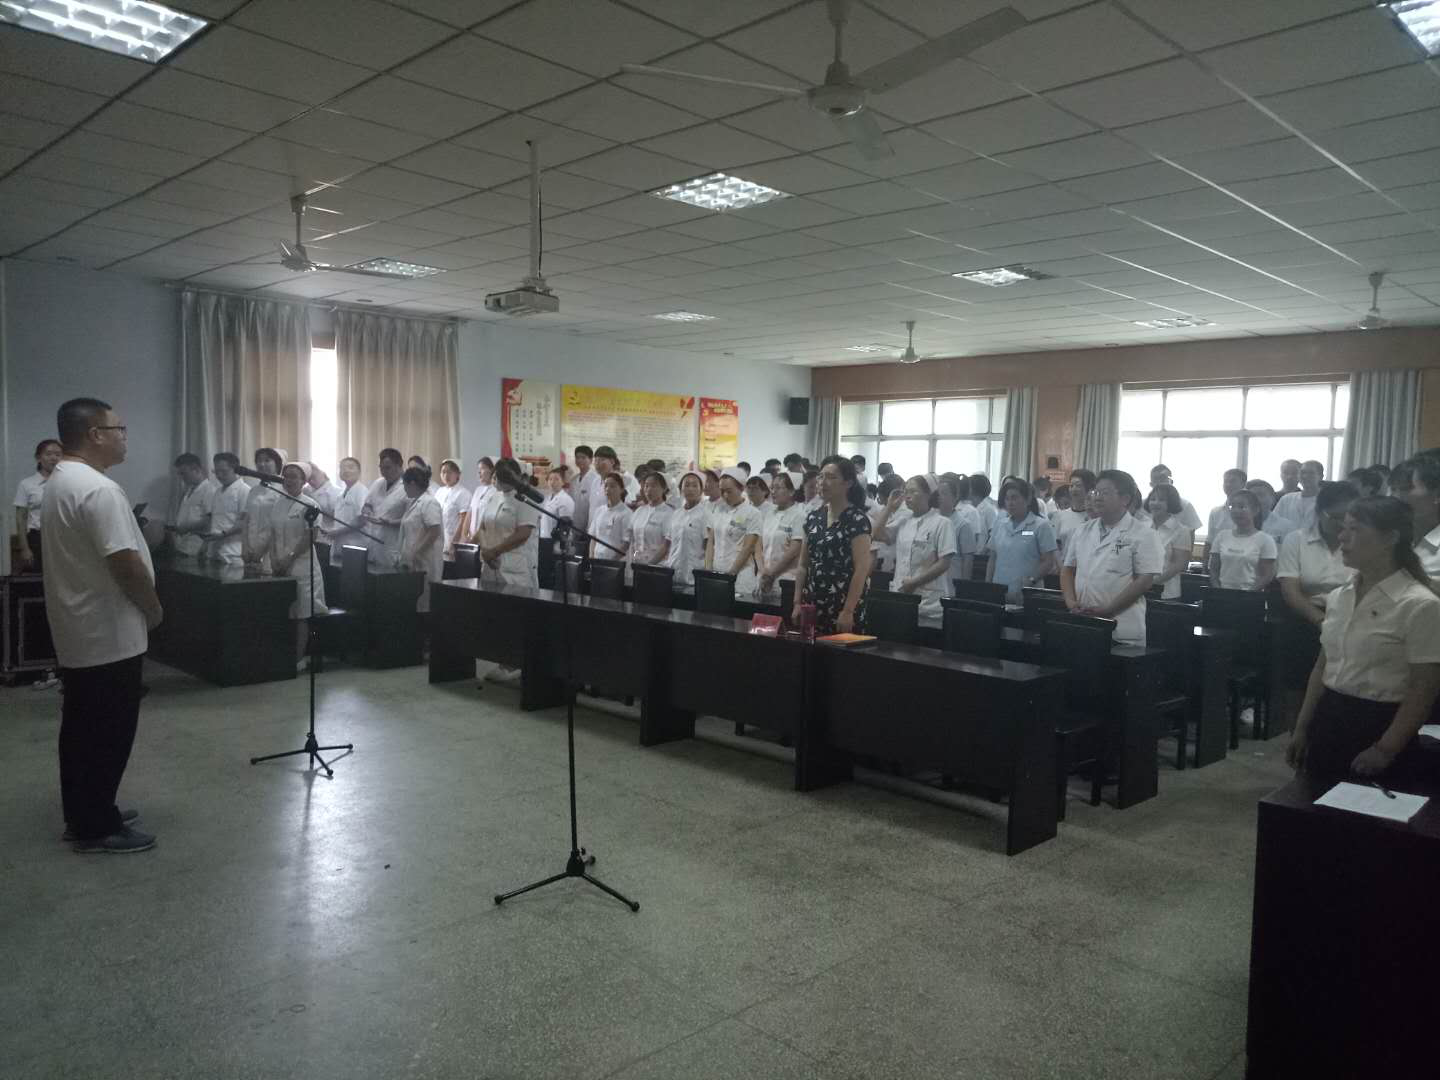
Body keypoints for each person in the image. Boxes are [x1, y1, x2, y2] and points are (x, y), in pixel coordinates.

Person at [43, 397, 161, 853]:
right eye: (119, 429)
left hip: (80, 627)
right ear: (95, 435)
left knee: (81, 728)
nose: (124, 437)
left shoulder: (61, 479)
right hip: (108, 631)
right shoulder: (99, 489)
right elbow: (125, 563)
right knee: (108, 732)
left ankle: (85, 811)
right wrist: (153, 608)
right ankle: (96, 826)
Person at [1287, 496, 1440, 785]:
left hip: (1381, 723)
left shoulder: (1419, 605)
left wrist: (1385, 749)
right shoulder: (1339, 597)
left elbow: (1423, 688)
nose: (1342, 536)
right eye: (1343, 527)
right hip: (1329, 716)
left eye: (1354, 529)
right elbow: (1322, 667)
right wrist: (1302, 728)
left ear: (1390, 538)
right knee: (1313, 801)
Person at [1061, 469, 1162, 646]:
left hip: (1121, 627)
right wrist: (1071, 602)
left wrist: (1108, 609)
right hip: (1083, 620)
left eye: (1105, 493)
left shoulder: (1144, 534)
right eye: (1096, 492)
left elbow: (1145, 581)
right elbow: (1068, 569)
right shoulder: (1083, 530)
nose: (1097, 498)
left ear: (1125, 499)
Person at [793, 455, 872, 635]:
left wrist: (848, 610)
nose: (822, 482)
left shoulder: (857, 520)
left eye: (831, 477)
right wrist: (797, 602)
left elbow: (862, 568)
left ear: (848, 483)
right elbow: (803, 565)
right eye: (821, 476)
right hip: (812, 603)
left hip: (843, 603)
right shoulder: (813, 517)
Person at [260, 463, 328, 663]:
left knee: (301, 614)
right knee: (283, 612)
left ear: (304, 481)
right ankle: (283, 656)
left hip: (302, 566)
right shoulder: (278, 503)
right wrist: (274, 559)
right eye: (286, 476)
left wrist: (289, 557)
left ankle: (298, 660)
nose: (288, 480)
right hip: (278, 565)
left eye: (294, 477)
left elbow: (310, 537)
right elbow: (273, 534)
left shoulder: (311, 505)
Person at [1278, 481, 1357, 626]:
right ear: (1319, 512)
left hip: (1352, 616)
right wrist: (1321, 621)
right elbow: (1290, 590)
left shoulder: (1361, 542)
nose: (1342, 524)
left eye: (1348, 519)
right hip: (1305, 615)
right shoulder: (1296, 540)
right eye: (1335, 517)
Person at [889, 475, 956, 618]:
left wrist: (914, 583)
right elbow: (876, 534)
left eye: (913, 491)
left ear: (928, 494)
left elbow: (944, 563)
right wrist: (889, 508)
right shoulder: (903, 521)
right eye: (906, 492)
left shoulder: (942, 523)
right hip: (900, 596)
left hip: (929, 603)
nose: (908, 496)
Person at [986, 477, 1058, 603]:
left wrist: (1031, 580)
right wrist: (987, 586)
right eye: (1007, 499)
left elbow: (1048, 561)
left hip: (1028, 594)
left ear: (1028, 499)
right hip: (999, 591)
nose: (1010, 503)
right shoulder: (1000, 524)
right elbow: (993, 558)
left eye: (1014, 498)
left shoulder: (1041, 525)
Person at [1208, 489, 1277, 591]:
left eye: (1241, 507)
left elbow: (1267, 575)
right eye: (1232, 507)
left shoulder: (1265, 540)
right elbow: (1214, 569)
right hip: (1222, 593)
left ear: (1255, 510)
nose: (1236, 511)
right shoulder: (1222, 536)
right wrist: (1218, 590)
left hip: (1251, 595)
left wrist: (1248, 593)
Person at [707, 468, 762, 596]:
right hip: (717, 573)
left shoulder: (753, 513)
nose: (725, 495)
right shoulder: (718, 509)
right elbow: (711, 542)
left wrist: (730, 576)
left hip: (740, 576)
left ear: (741, 488)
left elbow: (748, 548)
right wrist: (708, 571)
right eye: (722, 491)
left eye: (729, 491)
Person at [398, 465, 443, 614]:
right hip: (414, 563)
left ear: (412, 484)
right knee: (415, 603)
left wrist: (416, 552)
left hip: (426, 562)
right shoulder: (415, 502)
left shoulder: (430, 502)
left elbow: (434, 531)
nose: (403, 488)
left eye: (404, 485)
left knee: (425, 603)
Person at [14, 438, 62, 573]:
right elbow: (21, 518)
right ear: (38, 458)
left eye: (58, 454)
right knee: (39, 576)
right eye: (49, 454)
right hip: (37, 539)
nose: (54, 458)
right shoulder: (26, 484)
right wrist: (24, 548)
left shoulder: (67, 483)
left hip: (63, 537)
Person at [756, 471, 805, 602]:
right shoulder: (769, 513)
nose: (773, 491)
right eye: (772, 487)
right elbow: (758, 544)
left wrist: (771, 573)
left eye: (778, 488)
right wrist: (762, 571)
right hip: (763, 577)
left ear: (791, 491)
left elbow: (794, 550)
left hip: (785, 579)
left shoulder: (799, 515)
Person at [1391, 452, 1440, 576]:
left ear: (1437, 494)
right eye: (1393, 489)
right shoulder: (1390, 537)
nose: (1395, 496)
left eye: (1405, 488)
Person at [1145, 482, 1194, 600]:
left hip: (1167, 593)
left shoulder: (1181, 530)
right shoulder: (1142, 526)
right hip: (1137, 591)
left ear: (1171, 502)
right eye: (1152, 499)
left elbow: (1178, 565)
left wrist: (1150, 583)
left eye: (1161, 500)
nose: (1155, 503)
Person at [320, 457, 370, 566]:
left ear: (359, 471)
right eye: (342, 468)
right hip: (340, 546)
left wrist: (336, 533)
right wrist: (330, 530)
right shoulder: (340, 495)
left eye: (350, 467)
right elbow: (341, 520)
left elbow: (362, 521)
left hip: (356, 547)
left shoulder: (362, 492)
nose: (346, 470)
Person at [664, 472, 710, 592]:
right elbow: (669, 544)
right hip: (672, 574)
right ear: (681, 490)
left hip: (694, 577)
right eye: (687, 485)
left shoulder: (705, 514)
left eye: (695, 485)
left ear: (701, 490)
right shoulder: (676, 514)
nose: (690, 489)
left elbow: (708, 547)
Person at [164, 453, 216, 558]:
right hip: (183, 544)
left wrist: (185, 527)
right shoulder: (189, 490)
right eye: (180, 474)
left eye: (184, 474)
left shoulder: (209, 490)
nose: (181, 478)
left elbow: (209, 520)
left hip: (197, 546)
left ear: (196, 469)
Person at [362, 448, 409, 564]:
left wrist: (391, 522)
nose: (383, 472)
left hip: (393, 544)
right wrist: (367, 510)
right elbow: (368, 504)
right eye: (381, 468)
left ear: (399, 466)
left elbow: (413, 519)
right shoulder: (378, 483)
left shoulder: (408, 486)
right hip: (374, 542)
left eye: (387, 468)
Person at [241, 447, 284, 569]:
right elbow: (246, 520)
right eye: (258, 461)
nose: (261, 464)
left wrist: (260, 549)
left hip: (271, 550)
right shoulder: (254, 490)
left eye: (267, 460)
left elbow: (277, 524)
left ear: (277, 464)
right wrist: (244, 546)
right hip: (250, 550)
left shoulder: (283, 490)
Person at [204, 452, 249, 565]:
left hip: (233, 552)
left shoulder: (244, 490)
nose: (219, 475)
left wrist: (223, 534)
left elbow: (244, 523)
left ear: (235, 470)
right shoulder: (218, 491)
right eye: (216, 472)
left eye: (224, 471)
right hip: (214, 550)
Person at [630, 471, 675, 578]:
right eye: (646, 486)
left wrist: (649, 565)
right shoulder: (639, 511)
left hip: (658, 568)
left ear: (663, 489)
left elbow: (666, 545)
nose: (649, 489)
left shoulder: (669, 513)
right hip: (637, 566)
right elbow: (633, 540)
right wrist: (635, 558)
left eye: (654, 486)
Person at [935, 475, 979, 585]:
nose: (939, 497)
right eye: (938, 493)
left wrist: (963, 587)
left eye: (944, 493)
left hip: (951, 581)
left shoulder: (963, 524)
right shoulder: (931, 520)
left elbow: (968, 560)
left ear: (955, 497)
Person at [537, 465, 575, 586]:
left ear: (563, 482)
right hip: (544, 541)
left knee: (553, 576)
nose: (552, 482)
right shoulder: (547, 498)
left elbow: (565, 526)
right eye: (550, 479)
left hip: (556, 542)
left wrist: (558, 543)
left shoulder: (565, 499)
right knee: (543, 574)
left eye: (556, 479)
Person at [1202, 468, 1248, 561]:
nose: (1228, 484)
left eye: (1232, 481)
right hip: (1217, 562)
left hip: (1243, 561)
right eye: (1225, 481)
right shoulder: (1215, 512)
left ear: (1243, 484)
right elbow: (1210, 540)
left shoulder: (1250, 511)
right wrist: (1205, 563)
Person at [869, 474, 910, 578]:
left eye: (881, 499)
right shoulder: (887, 510)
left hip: (896, 567)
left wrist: (888, 507)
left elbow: (877, 534)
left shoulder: (905, 513)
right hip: (884, 564)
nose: (880, 502)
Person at [589, 471, 634, 562]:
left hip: (616, 562)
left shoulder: (627, 513)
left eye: (612, 486)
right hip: (597, 559)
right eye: (606, 485)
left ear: (621, 489)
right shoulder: (599, 510)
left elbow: (626, 543)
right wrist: (591, 558)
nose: (608, 489)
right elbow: (593, 537)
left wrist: (612, 561)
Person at [1051, 469, 1094, 561]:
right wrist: (1062, 567)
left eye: (1078, 486)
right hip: (1063, 565)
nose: (1074, 489)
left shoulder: (1096, 517)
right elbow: (1055, 546)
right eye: (1071, 486)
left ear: (1089, 488)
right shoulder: (1059, 516)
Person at [433, 459, 470, 567]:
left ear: (458, 474)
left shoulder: (463, 493)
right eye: (443, 472)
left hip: (453, 541)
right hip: (438, 540)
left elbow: (463, 521)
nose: (446, 475)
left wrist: (453, 543)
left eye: (450, 472)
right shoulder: (439, 491)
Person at [1146, 464, 1203, 530]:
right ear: (1151, 484)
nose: (1160, 483)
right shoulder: (1142, 505)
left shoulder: (1186, 505)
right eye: (1156, 480)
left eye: (1163, 479)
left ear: (1171, 482)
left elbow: (1191, 532)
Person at [1274, 459, 1324, 530]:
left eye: (1311, 473)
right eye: (1302, 472)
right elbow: (1273, 524)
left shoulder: (1326, 501)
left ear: (1321, 476)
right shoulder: (1286, 499)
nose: (1305, 476)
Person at [1246, 479, 1298, 545]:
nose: (1257, 499)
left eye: (1261, 495)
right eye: (1252, 496)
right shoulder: (1236, 524)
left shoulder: (1287, 527)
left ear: (1272, 499)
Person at [460, 456, 496, 551]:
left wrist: (474, 540)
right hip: (471, 541)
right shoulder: (478, 490)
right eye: (478, 469)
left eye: (483, 468)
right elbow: (469, 514)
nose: (479, 472)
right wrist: (464, 535)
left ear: (492, 470)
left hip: (486, 541)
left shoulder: (496, 492)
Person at [570, 445, 595, 535]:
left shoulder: (595, 479)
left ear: (591, 460)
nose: (580, 460)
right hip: (573, 525)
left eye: (583, 458)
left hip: (588, 528)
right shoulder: (573, 480)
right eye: (577, 457)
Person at [970, 474, 997, 552]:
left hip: (981, 555)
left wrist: (984, 551)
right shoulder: (969, 508)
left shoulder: (989, 510)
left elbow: (993, 535)